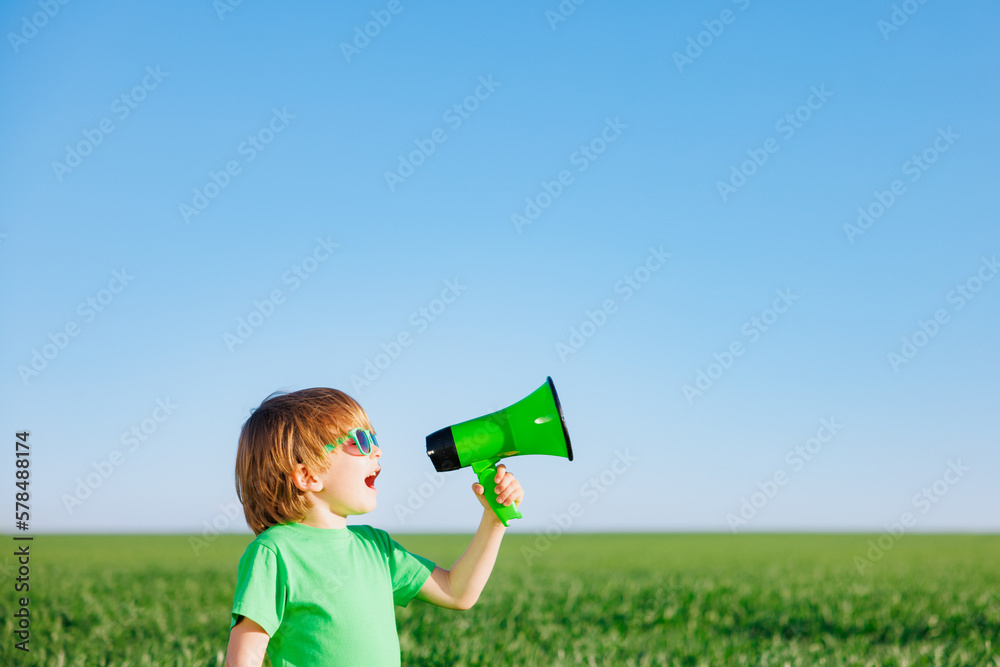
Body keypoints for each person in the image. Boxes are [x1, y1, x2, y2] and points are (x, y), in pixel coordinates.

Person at [225, 387, 523, 667]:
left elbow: (456, 592)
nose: (377, 451)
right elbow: (245, 657)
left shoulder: (377, 547)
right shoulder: (274, 552)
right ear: (307, 475)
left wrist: (494, 521)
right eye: (360, 441)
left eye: (374, 439)